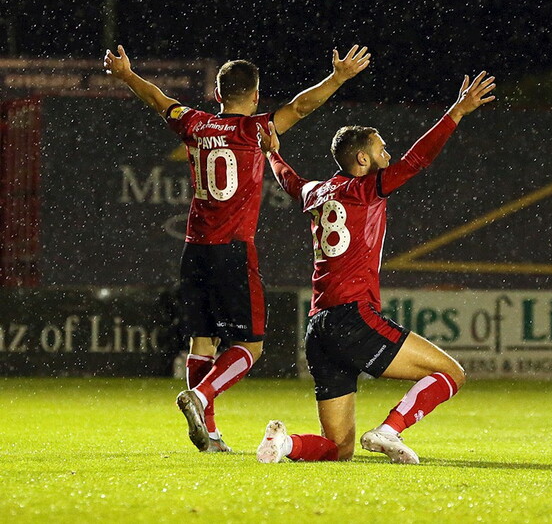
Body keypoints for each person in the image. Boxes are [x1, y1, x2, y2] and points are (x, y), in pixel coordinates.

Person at [103, 44, 371, 452]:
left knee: (202, 342)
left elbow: (158, 100)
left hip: (195, 249)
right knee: (251, 346)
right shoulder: (255, 130)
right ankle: (201, 396)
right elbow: (300, 107)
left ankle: (209, 435)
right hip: (232, 250)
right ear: (256, 96)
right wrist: (338, 78)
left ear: (217, 93)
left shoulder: (194, 123)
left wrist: (126, 75)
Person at [253, 72, 495, 465]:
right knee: (451, 373)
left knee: (339, 449)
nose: (388, 156)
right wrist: (456, 112)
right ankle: (389, 430)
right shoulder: (366, 188)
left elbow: (290, 181)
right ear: (362, 159)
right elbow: (418, 159)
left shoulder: (316, 192)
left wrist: (271, 154)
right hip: (353, 317)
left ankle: (284, 445)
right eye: (382, 150)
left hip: (318, 326)